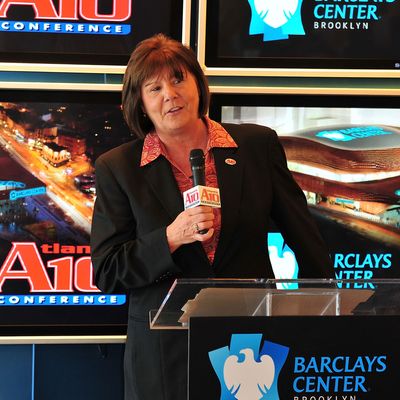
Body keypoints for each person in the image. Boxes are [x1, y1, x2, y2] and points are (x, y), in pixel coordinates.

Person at [90, 34, 334, 400]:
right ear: (139, 103)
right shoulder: (119, 168)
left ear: (197, 85)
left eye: (178, 79)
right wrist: (171, 236)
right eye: (154, 87)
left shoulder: (256, 146)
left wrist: (323, 312)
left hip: (252, 346)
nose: (170, 94)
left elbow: (305, 237)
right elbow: (108, 271)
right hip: (165, 353)